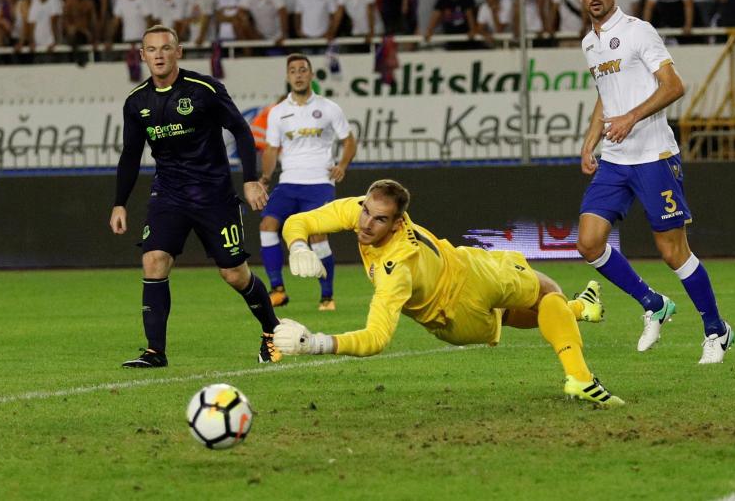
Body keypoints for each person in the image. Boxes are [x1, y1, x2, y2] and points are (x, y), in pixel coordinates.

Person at [273, 179, 623, 407]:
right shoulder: (397, 268)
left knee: (524, 308)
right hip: (459, 304)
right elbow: (376, 337)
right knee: (546, 294)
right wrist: (299, 245)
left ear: (397, 224)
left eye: (378, 219)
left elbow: (375, 339)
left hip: (463, 269)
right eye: (365, 211)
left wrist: (316, 342)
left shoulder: (395, 264)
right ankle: (579, 373)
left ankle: (579, 312)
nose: (365, 223)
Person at [574, 0, 734, 364]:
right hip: (615, 159)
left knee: (672, 251)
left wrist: (631, 118)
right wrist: (590, 140)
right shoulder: (589, 43)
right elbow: (606, 95)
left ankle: (717, 330)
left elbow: (674, 86)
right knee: (589, 243)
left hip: (653, 156)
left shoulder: (638, 32)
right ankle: (653, 303)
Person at [109, 24, 281, 368]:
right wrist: (119, 203)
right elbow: (130, 155)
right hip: (168, 194)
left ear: (179, 52)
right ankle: (155, 351)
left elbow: (241, 130)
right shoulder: (136, 102)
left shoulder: (204, 89)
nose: (159, 55)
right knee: (154, 260)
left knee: (234, 274)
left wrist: (249, 180)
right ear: (142, 56)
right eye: (152, 50)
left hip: (213, 194)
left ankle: (272, 331)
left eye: (165, 48)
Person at [259, 54, 357, 312]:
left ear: (311, 75)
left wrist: (343, 166)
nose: (299, 74)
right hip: (289, 181)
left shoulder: (328, 107)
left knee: (317, 235)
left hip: (319, 182)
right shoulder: (278, 112)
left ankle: (327, 296)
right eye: (293, 70)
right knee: (268, 226)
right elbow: (271, 148)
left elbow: (349, 140)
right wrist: (266, 177)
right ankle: (277, 290)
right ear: (288, 76)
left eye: (303, 70)